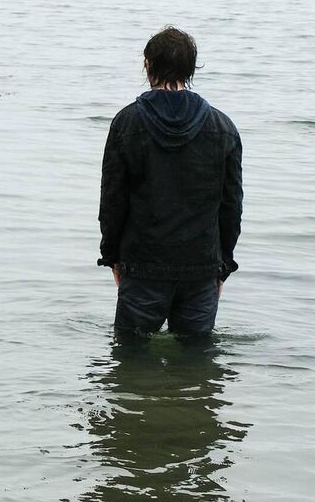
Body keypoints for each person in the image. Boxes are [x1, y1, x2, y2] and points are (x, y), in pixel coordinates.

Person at [98, 27, 243, 338]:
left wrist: (111, 257)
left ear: (148, 65)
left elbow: (112, 200)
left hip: (143, 265)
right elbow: (231, 206)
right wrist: (223, 266)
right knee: (197, 357)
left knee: (129, 355)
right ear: (190, 70)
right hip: (201, 267)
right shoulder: (223, 127)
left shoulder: (127, 123)